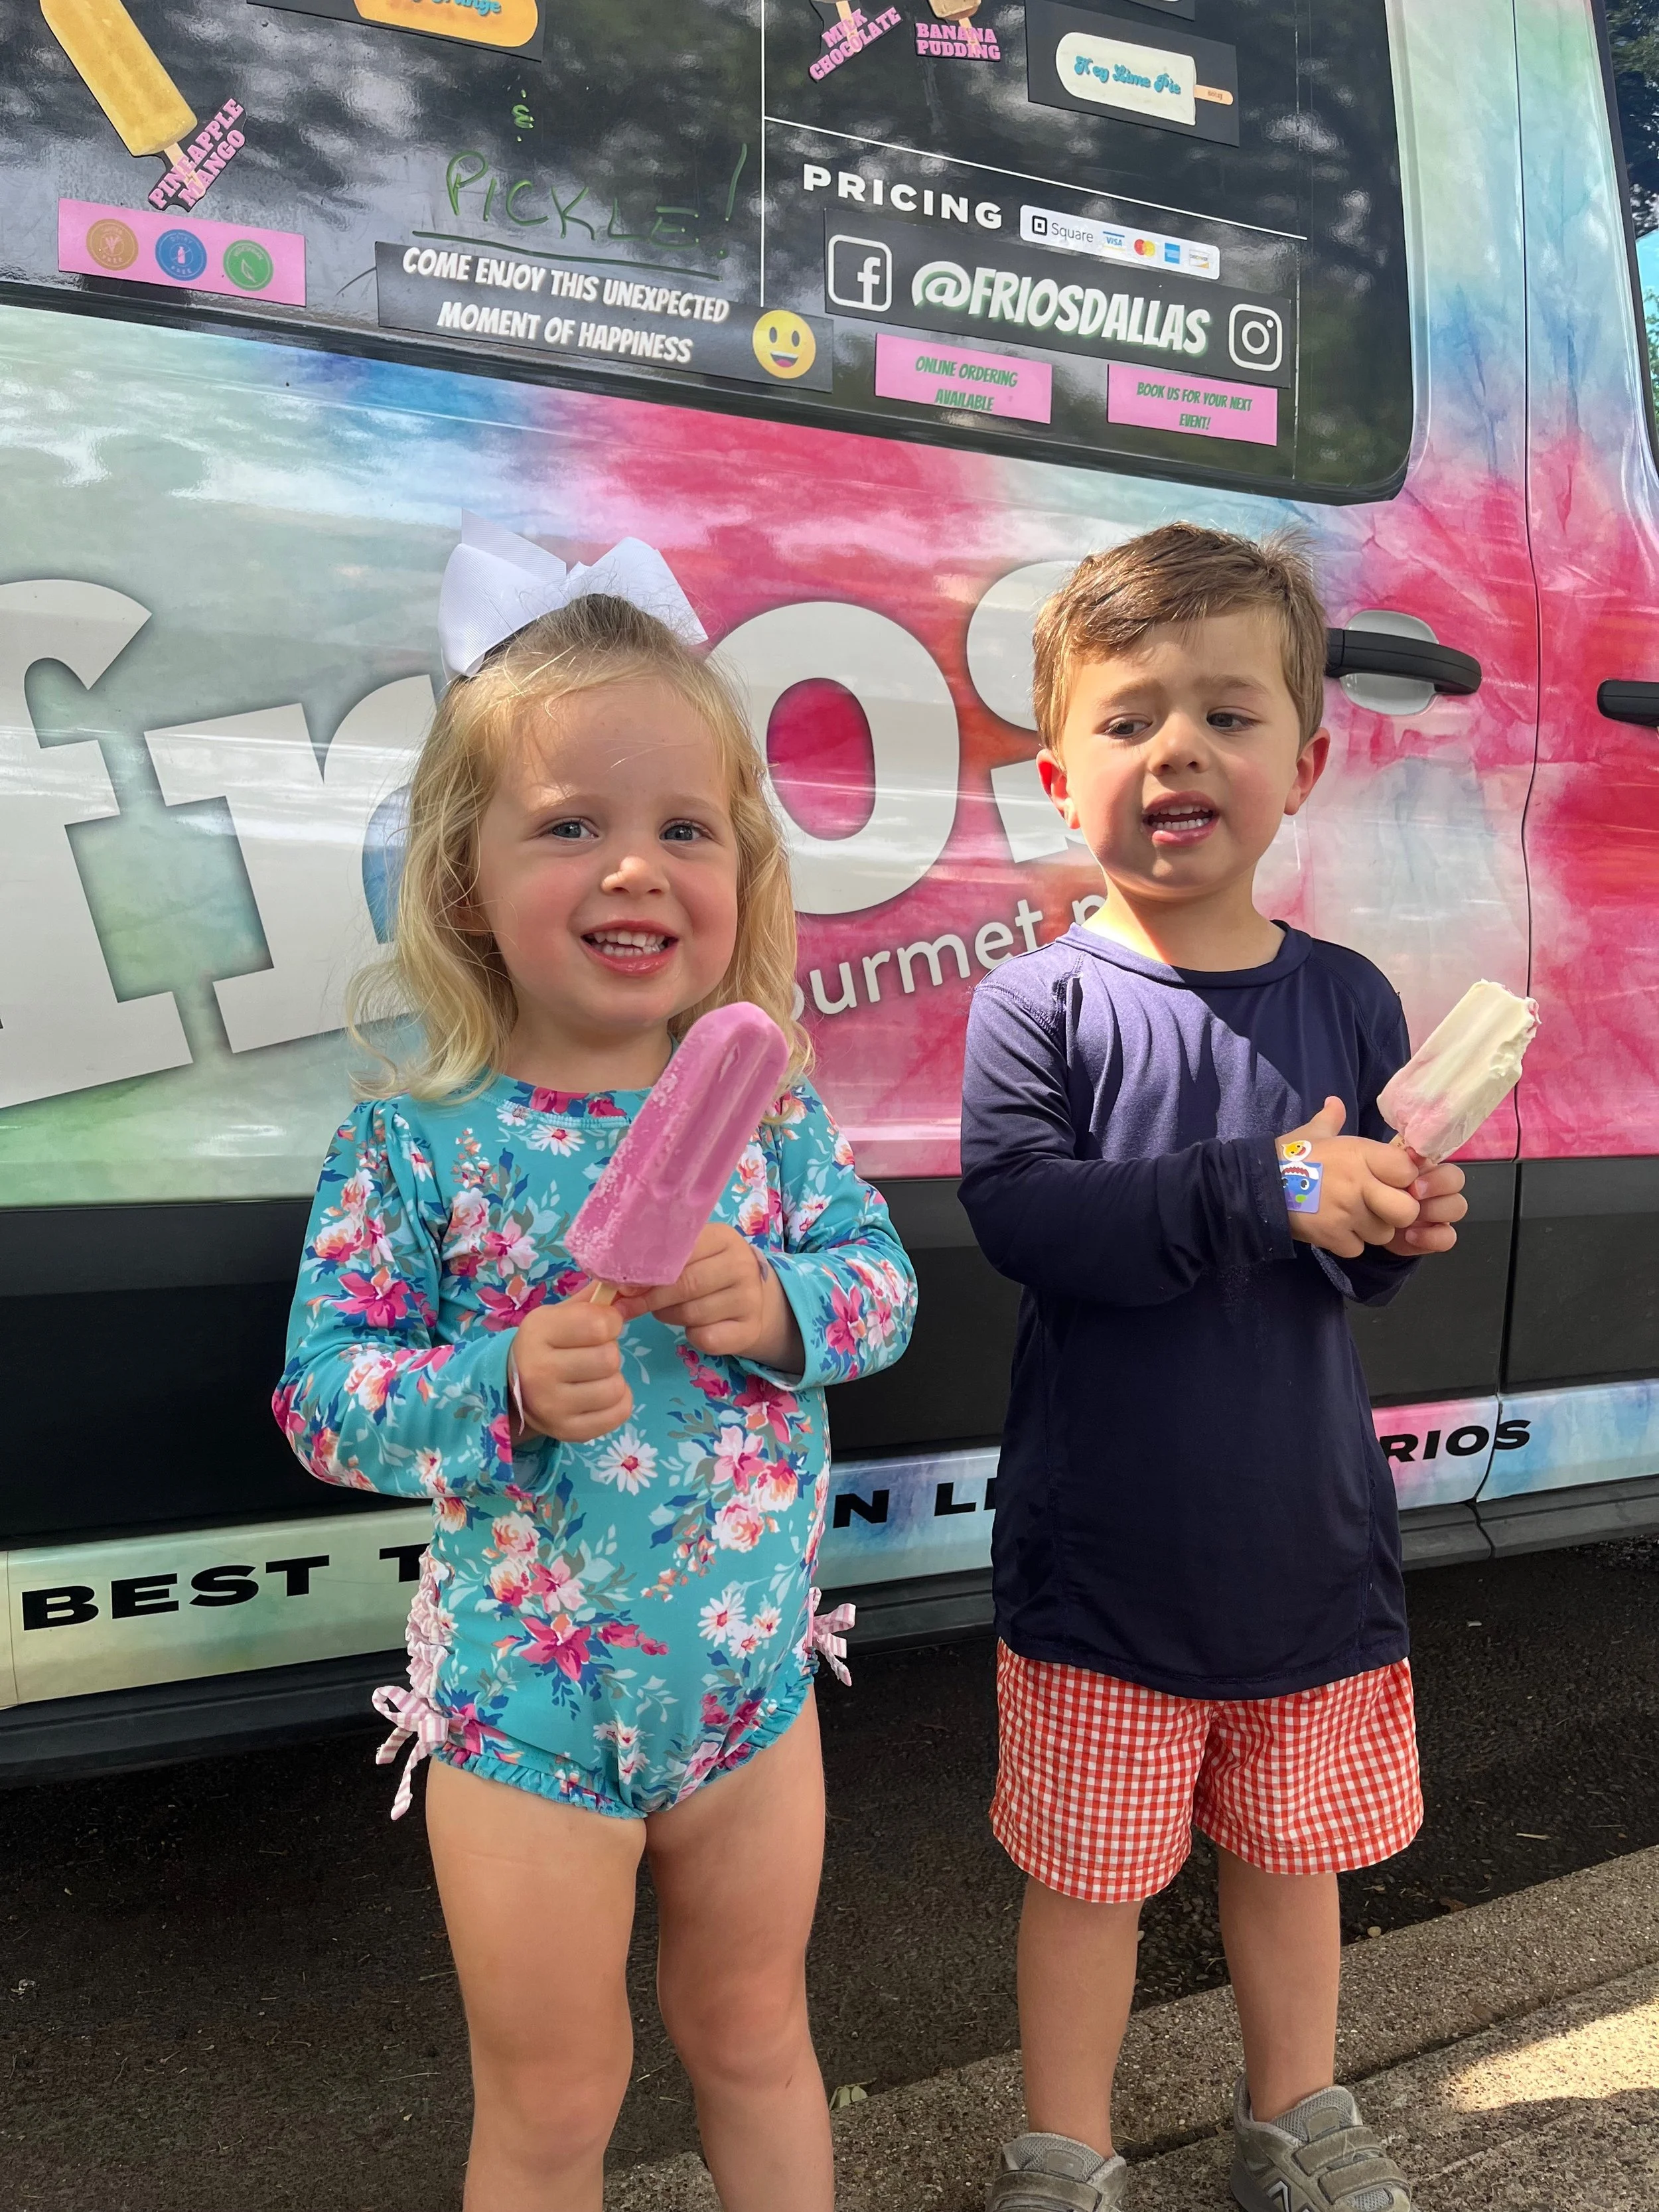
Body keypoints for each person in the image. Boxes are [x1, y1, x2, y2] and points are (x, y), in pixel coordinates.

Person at [272, 519, 916, 2212]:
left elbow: (883, 1290)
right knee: (557, 2100)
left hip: (751, 1693)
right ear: (466, 880)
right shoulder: (410, 1148)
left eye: (682, 830)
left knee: (757, 2036)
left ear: (743, 876)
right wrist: (493, 1380)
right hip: (524, 1713)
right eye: (571, 827)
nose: (635, 868)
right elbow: (323, 1396)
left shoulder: (766, 1117)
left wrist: (773, 1298)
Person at [958, 525, 1467, 2212]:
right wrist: (1275, 1185)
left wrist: (1394, 1220)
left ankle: (1296, 2114)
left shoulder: (1346, 999)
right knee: (1085, 1880)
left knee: (1290, 1856)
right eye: (1126, 720)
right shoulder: (1036, 1003)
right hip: (1102, 1560)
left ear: (1303, 763)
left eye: (1226, 716)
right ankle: (1064, 2149)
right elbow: (1032, 1221)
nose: (1175, 749)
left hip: (1304, 1550)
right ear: (1056, 776)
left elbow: (1359, 1268)